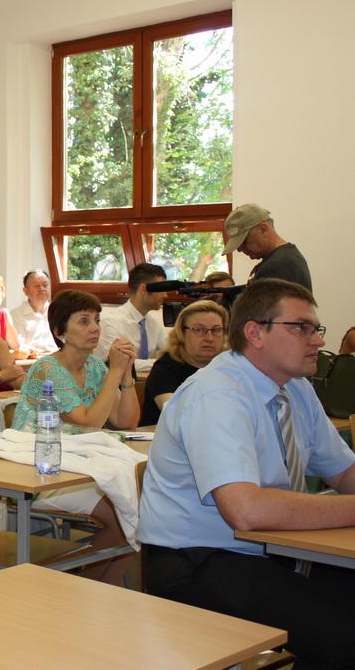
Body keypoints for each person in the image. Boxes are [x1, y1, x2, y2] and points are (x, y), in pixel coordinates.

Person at [139, 279, 355, 667]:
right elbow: (246, 511)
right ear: (255, 333)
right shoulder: (218, 395)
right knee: (345, 635)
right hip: (201, 560)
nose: (318, 340)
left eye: (316, 328)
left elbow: (344, 472)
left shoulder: (296, 388)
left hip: (276, 549)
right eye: (302, 327)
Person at [11, 289, 139, 584]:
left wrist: (126, 375)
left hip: (80, 466)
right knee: (125, 516)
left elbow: (127, 421)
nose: (95, 328)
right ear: (60, 332)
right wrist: (114, 371)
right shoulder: (48, 369)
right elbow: (89, 422)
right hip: (40, 473)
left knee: (140, 509)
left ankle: (101, 588)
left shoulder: (93, 366)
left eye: (96, 320)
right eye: (84, 321)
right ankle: (83, 587)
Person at [140, 300, 229, 426]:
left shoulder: (229, 366)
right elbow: (177, 414)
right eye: (199, 330)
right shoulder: (166, 367)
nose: (209, 338)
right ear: (182, 333)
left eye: (216, 330)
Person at [94, 262, 170, 373]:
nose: (165, 295)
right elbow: (120, 363)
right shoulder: (111, 322)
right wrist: (161, 364)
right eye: (161, 290)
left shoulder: (153, 323)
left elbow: (172, 353)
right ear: (144, 290)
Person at [222, 203, 312, 291]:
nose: (239, 249)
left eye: (244, 241)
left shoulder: (277, 266)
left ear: (263, 229)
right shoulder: (286, 257)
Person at [10, 269, 56, 357]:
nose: (42, 289)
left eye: (45, 285)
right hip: (31, 360)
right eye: (36, 286)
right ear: (26, 291)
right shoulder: (16, 314)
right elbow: (19, 346)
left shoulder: (58, 311)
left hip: (57, 358)